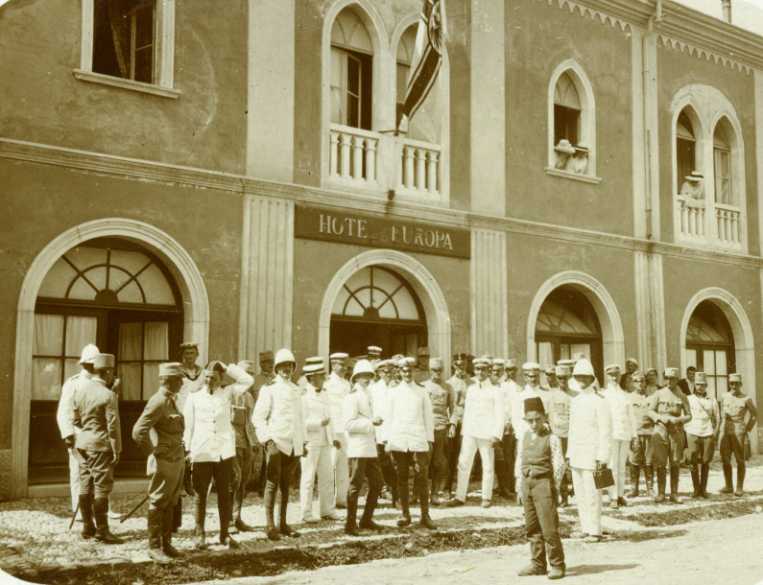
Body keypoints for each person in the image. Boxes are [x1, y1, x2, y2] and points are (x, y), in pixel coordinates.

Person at [185, 360, 253, 549]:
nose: (209, 381)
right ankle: (200, 534)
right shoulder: (194, 397)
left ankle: (224, 534)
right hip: (202, 452)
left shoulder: (228, 393)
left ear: (220, 378)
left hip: (224, 452)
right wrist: (189, 450)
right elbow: (188, 427)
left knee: (225, 493)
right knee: (200, 494)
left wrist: (226, 366)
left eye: (213, 377)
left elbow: (248, 380)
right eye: (206, 377)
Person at [132, 362, 186, 561]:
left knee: (170, 502)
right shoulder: (158, 401)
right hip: (165, 461)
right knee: (158, 501)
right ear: (170, 381)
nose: (182, 383)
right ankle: (154, 547)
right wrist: (153, 452)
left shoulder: (171, 401)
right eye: (179, 379)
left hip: (176, 460)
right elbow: (138, 431)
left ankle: (166, 543)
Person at [252, 349, 305, 540]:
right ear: (276, 368)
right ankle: (269, 525)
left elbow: (300, 418)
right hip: (277, 442)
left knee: (286, 485)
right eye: (282, 366)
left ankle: (283, 523)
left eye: (289, 366)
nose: (286, 369)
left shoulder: (296, 389)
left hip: (293, 444)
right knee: (272, 483)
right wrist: (268, 441)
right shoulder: (269, 389)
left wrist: (303, 442)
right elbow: (258, 418)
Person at [70, 353, 122, 544]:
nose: (112, 377)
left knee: (85, 485)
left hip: (83, 444)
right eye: (111, 373)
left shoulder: (80, 390)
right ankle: (102, 530)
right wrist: (117, 449)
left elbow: (75, 419)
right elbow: (113, 426)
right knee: (101, 487)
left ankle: (87, 527)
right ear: (107, 372)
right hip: (100, 445)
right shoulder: (108, 395)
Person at [515, 397, 566, 580]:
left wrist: (554, 487)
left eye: (537, 419)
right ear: (525, 420)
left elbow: (559, 465)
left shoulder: (552, 438)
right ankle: (538, 564)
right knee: (532, 526)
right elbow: (519, 460)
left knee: (549, 527)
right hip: (527, 484)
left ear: (544, 417)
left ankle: (557, 564)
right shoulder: (524, 437)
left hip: (544, 484)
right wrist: (519, 487)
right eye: (530, 420)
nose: (534, 423)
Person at [449, 356, 505, 508]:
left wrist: (496, 434)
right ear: (474, 370)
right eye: (478, 369)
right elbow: (467, 412)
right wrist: (464, 433)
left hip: (487, 434)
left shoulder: (495, 391)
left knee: (487, 465)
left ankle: (486, 497)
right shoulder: (471, 389)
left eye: (483, 369)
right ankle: (460, 496)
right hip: (470, 432)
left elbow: (500, 414)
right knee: (463, 463)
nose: (480, 372)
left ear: (488, 371)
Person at [388, 357, 436, 529]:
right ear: (399, 372)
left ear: (415, 371)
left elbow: (428, 417)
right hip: (399, 440)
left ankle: (425, 515)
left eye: (410, 370)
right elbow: (389, 417)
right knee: (401, 477)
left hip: (417, 439)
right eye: (404, 371)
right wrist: (388, 440)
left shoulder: (422, 391)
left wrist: (429, 439)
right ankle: (405, 514)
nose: (407, 373)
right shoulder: (393, 392)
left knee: (421, 476)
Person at [567, 358, 611, 543]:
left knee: (593, 493)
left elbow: (606, 430)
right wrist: (569, 454)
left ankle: (595, 530)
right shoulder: (575, 401)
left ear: (592, 378)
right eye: (578, 377)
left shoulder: (599, 401)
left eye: (585, 376)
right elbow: (572, 429)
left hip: (593, 454)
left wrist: (603, 456)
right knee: (580, 493)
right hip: (577, 453)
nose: (582, 380)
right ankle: (585, 527)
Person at [343, 359, 384, 536]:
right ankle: (350, 525)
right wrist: (370, 422)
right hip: (358, 448)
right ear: (356, 378)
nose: (367, 379)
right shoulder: (352, 397)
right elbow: (349, 424)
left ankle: (366, 519)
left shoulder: (369, 394)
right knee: (355, 486)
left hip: (369, 448)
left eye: (369, 375)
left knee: (377, 483)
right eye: (363, 376)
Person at [57, 343, 99, 519]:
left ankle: (99, 507)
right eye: (89, 363)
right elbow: (64, 410)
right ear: (83, 364)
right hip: (78, 432)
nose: (91, 366)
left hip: (95, 433)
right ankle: (80, 509)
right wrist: (68, 434)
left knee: (98, 472)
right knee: (77, 471)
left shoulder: (100, 381)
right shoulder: (73, 383)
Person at [300, 358, 341, 523]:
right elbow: (301, 422)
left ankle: (327, 510)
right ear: (311, 378)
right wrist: (318, 423)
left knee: (327, 476)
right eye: (320, 376)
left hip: (326, 440)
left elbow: (331, 417)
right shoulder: (303, 395)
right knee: (308, 477)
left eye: (323, 376)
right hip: (310, 441)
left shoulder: (325, 393)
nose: (323, 379)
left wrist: (335, 437)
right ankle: (305, 512)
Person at [646, 368, 691, 504]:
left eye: (672, 378)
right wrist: (659, 418)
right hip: (660, 430)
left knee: (675, 462)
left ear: (677, 379)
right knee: (660, 462)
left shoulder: (682, 395)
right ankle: (660, 493)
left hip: (676, 431)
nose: (669, 381)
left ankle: (674, 493)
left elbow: (689, 415)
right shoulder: (658, 394)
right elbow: (649, 411)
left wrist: (678, 420)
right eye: (667, 378)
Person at [230, 360, 259, 532]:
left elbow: (251, 422)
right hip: (233, 443)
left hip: (247, 443)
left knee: (243, 483)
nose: (250, 378)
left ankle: (237, 517)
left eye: (252, 374)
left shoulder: (249, 396)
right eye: (247, 374)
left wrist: (254, 443)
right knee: (233, 480)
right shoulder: (230, 393)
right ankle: (227, 521)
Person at [601, 364, 635, 508]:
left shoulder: (625, 395)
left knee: (621, 467)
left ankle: (620, 495)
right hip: (610, 435)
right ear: (607, 376)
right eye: (611, 375)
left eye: (616, 375)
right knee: (611, 466)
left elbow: (631, 417)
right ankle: (612, 496)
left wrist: (634, 435)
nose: (614, 378)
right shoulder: (603, 395)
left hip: (624, 433)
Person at [719, 373, 758, 496]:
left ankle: (739, 487)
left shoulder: (746, 398)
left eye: (736, 383)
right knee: (725, 458)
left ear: (740, 384)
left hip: (738, 429)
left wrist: (747, 428)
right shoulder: (724, 396)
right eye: (732, 383)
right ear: (729, 384)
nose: (734, 386)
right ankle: (728, 485)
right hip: (725, 429)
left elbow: (755, 415)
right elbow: (720, 413)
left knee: (740, 459)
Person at [423, 357, 455, 505]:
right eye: (434, 370)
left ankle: (435, 493)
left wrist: (453, 424)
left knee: (439, 462)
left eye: (440, 370)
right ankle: (419, 493)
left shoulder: (448, 387)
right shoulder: (423, 387)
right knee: (423, 462)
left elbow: (454, 409)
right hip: (425, 429)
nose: (437, 373)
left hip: (441, 428)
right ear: (430, 371)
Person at [684, 372, 718, 499]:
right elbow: (685, 415)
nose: (700, 387)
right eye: (698, 384)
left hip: (707, 432)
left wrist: (714, 432)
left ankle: (703, 489)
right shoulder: (688, 399)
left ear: (706, 386)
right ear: (694, 385)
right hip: (692, 431)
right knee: (692, 461)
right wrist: (687, 430)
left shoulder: (712, 400)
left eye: (703, 385)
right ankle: (696, 489)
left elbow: (717, 417)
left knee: (705, 461)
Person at [369, 359, 398, 504]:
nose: (387, 375)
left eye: (390, 372)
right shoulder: (373, 389)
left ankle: (397, 493)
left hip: (394, 429)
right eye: (384, 372)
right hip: (379, 430)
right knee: (382, 461)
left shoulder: (397, 387)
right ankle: (384, 489)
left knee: (395, 462)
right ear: (379, 373)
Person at [325, 352, 351, 509]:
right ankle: (328, 500)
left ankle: (341, 498)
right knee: (330, 464)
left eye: (345, 365)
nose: (344, 368)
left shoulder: (347, 384)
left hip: (345, 428)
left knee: (344, 464)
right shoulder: (327, 383)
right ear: (333, 365)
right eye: (341, 365)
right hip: (332, 429)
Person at [548, 363, 576, 506]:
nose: (562, 381)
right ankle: (561, 495)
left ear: (569, 378)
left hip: (572, 435)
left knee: (572, 465)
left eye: (565, 378)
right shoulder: (551, 395)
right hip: (557, 435)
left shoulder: (575, 396)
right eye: (559, 378)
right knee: (558, 466)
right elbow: (549, 416)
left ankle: (574, 493)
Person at [491, 359, 515, 500]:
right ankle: (495, 486)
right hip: (491, 427)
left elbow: (511, 406)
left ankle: (506, 487)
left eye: (500, 370)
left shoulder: (509, 386)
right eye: (494, 371)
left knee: (506, 457)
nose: (497, 373)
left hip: (506, 426)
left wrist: (509, 422)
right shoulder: (490, 386)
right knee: (493, 458)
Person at [627, 371, 654, 497]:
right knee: (634, 461)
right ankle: (634, 488)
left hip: (650, 433)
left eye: (642, 380)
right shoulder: (629, 398)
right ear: (633, 383)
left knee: (649, 461)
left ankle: (650, 488)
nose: (640, 383)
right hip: (635, 433)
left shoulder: (652, 397)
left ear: (645, 382)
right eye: (637, 381)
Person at [445, 353, 469, 496]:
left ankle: (462, 488)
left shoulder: (472, 383)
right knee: (451, 456)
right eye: (458, 364)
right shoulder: (449, 383)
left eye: (463, 364)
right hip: (454, 423)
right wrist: (452, 423)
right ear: (454, 365)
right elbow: (449, 406)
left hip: (468, 422)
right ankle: (447, 487)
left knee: (465, 456)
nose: (460, 367)